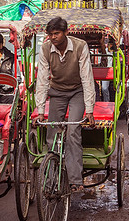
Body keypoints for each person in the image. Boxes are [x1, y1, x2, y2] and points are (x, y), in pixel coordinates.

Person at [35, 17, 95, 192]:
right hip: (57, 92)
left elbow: (87, 77)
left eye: (57, 33)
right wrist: (40, 110)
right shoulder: (45, 49)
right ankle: (50, 178)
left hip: (77, 91)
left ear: (66, 32)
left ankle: (76, 180)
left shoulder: (80, 46)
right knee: (52, 133)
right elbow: (42, 80)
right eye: (51, 34)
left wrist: (89, 109)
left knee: (73, 132)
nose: (53, 37)